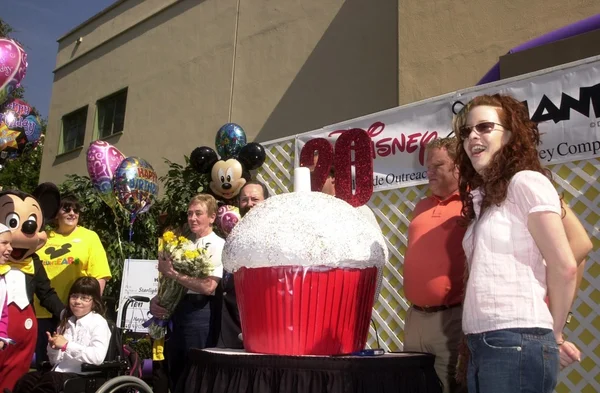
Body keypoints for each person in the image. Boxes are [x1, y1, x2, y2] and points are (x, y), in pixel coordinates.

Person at [454, 94, 581, 393]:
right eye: (466, 131)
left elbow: (564, 267)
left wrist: (556, 335)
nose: (473, 136)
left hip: (516, 341)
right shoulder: (486, 199)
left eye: (485, 127)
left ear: (510, 136)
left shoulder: (526, 182)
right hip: (483, 343)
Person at [403, 137, 467, 393]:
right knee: (412, 385)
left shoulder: (472, 204)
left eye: (438, 165)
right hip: (415, 317)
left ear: (459, 167)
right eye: (428, 165)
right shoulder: (421, 205)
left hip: (451, 318)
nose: (429, 170)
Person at [150, 194, 225, 391]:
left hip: (200, 313)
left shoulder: (218, 245)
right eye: (189, 213)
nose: (192, 218)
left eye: (198, 213)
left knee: (195, 374)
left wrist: (173, 274)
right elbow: (169, 282)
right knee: (176, 372)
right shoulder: (183, 244)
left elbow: (209, 287)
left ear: (212, 217)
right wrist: (157, 300)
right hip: (177, 313)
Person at [34, 196, 112, 369]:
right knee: (44, 363)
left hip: (74, 313)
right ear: (56, 214)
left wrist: (87, 308)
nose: (72, 213)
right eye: (66, 209)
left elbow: (99, 276)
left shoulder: (89, 237)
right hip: (42, 311)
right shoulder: (44, 237)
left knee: (71, 362)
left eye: (76, 210)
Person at [13, 276, 111, 393]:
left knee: (50, 381)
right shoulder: (66, 322)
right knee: (27, 379)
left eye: (84, 298)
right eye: (74, 296)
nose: (78, 301)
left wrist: (67, 345)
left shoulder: (99, 323)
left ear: (94, 302)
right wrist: (53, 347)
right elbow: (55, 361)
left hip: (83, 375)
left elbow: (97, 357)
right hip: (59, 372)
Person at [217, 181, 270, 349]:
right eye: (244, 199)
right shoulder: (233, 234)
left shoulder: (274, 233)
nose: (249, 204)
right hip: (227, 322)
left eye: (255, 199)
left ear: (266, 202)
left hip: (259, 322)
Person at [0, 224, 13, 351]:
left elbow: (3, 312)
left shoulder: (2, 278)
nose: (10, 248)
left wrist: (2, 337)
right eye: (4, 243)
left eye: (10, 243)